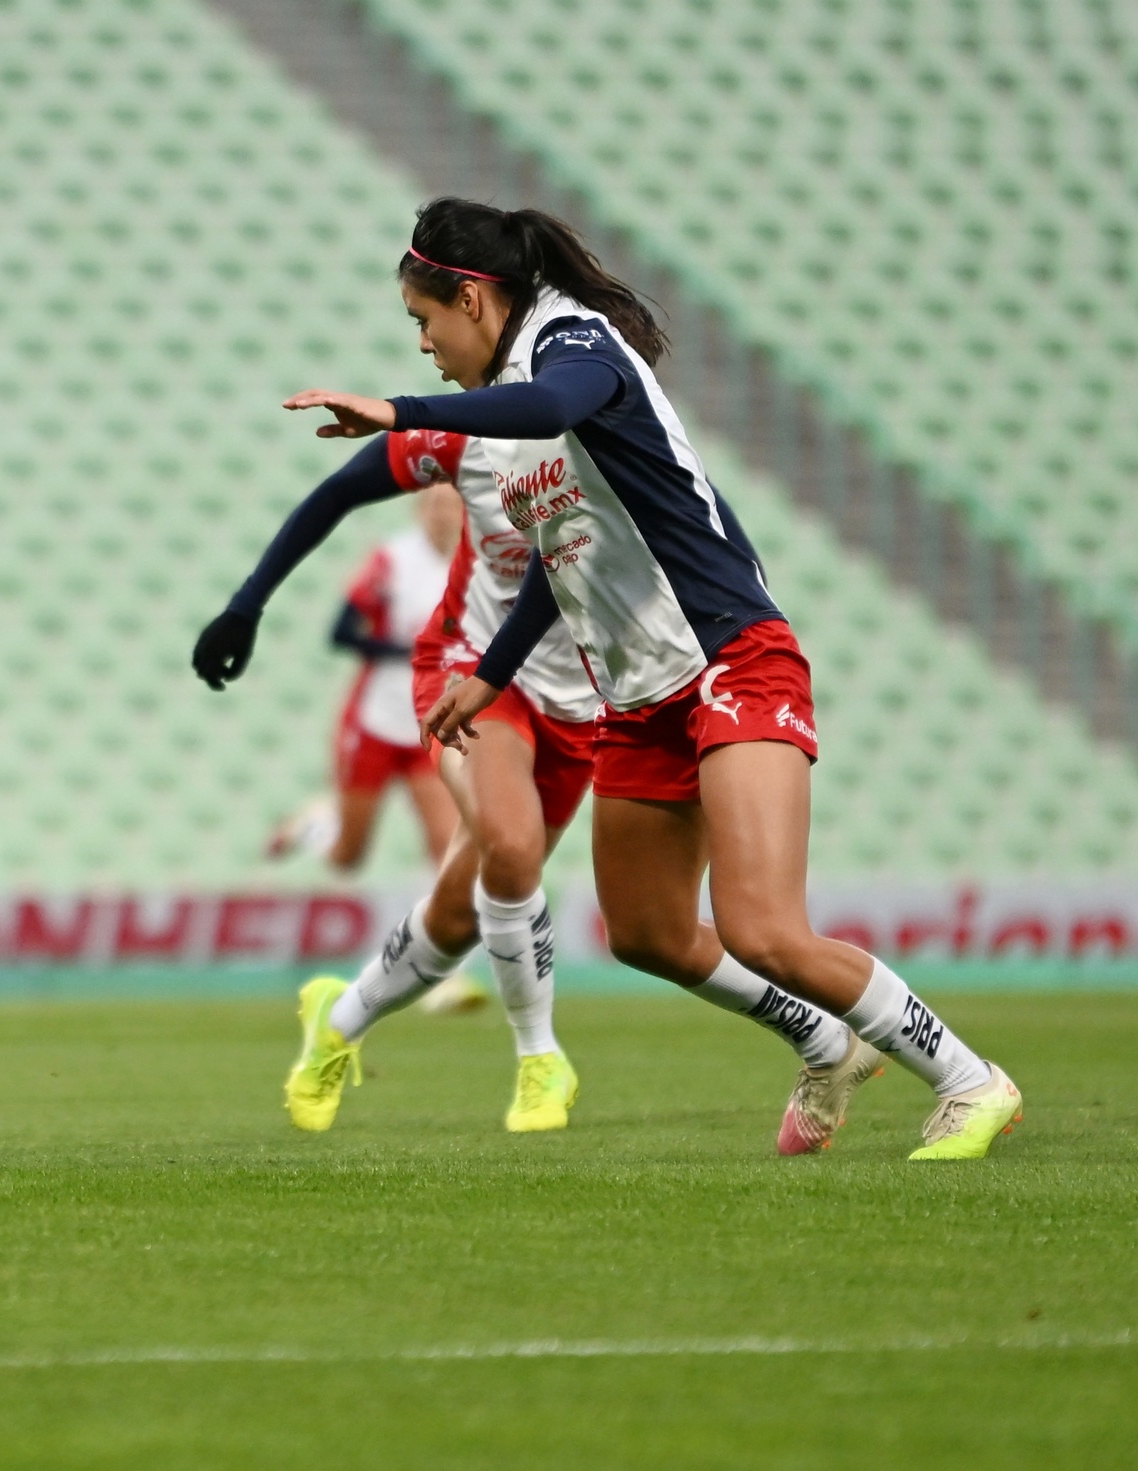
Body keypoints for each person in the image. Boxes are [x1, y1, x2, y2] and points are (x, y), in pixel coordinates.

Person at [276, 199, 1019, 1161]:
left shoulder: (571, 342)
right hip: (637, 697)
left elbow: (556, 405)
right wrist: (493, 673)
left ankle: (970, 1080)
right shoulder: (516, 409)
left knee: (763, 931)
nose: (422, 345)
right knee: (646, 931)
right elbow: (564, 555)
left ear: (472, 298)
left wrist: (400, 409)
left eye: (424, 320)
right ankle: (829, 1047)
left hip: (728, 657)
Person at [195, 376, 603, 1140]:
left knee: (461, 906)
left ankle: (337, 1021)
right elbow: (337, 492)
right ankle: (540, 1056)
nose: (425, 346)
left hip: (577, 700)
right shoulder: (462, 440)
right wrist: (248, 601)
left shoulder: (624, 448)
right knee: (509, 845)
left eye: (427, 323)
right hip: (465, 672)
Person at [268, 483, 458, 871]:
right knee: (347, 857)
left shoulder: (469, 569)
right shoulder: (393, 560)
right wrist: (408, 652)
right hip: (376, 722)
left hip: (425, 727)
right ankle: (315, 825)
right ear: (420, 509)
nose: (443, 515)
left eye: (452, 506)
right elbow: (341, 632)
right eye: (435, 505)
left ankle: (439, 912)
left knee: (446, 848)